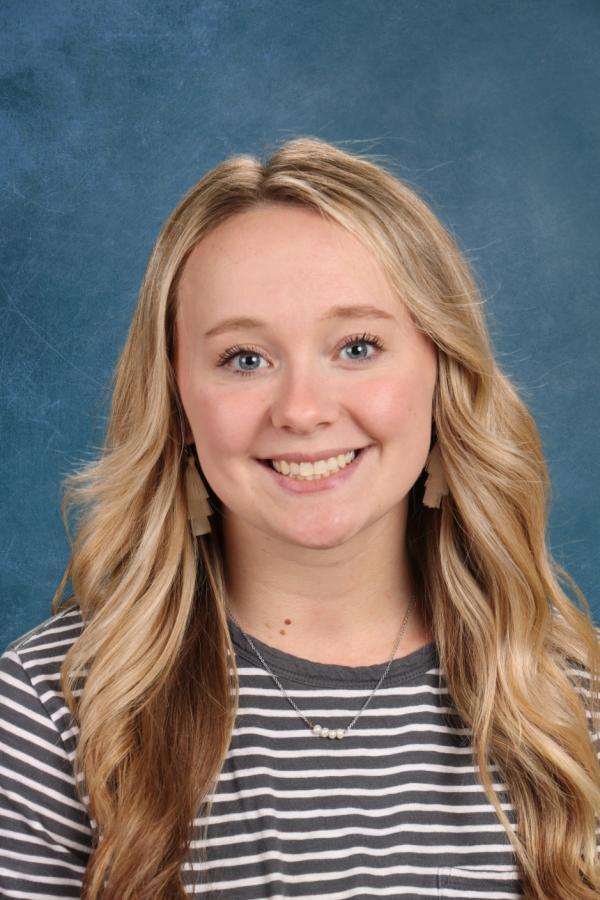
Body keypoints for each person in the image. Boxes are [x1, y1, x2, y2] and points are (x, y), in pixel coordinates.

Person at [1, 137, 599, 900]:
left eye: (357, 346)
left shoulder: (571, 701)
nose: (303, 411)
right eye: (245, 359)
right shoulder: (49, 712)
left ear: (443, 373)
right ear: (176, 400)